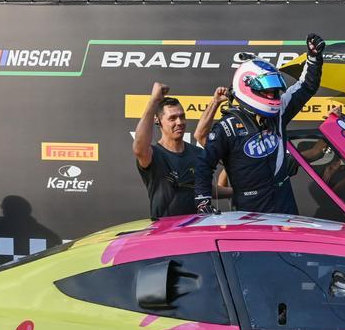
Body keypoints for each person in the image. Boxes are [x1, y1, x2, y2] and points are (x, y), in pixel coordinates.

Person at [194, 33, 325, 214]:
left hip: (283, 201)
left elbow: (306, 86)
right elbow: (204, 163)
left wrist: (314, 58)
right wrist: (203, 201)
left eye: (274, 90)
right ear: (246, 86)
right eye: (266, 90)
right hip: (250, 209)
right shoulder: (227, 127)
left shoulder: (278, 112)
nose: (272, 95)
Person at [133, 82, 199, 219]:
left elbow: (207, 188)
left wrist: (235, 191)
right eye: (172, 118)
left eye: (182, 116)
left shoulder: (197, 153)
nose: (180, 122)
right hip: (165, 234)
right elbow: (139, 149)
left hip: (195, 232)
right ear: (158, 121)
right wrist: (154, 100)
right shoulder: (153, 154)